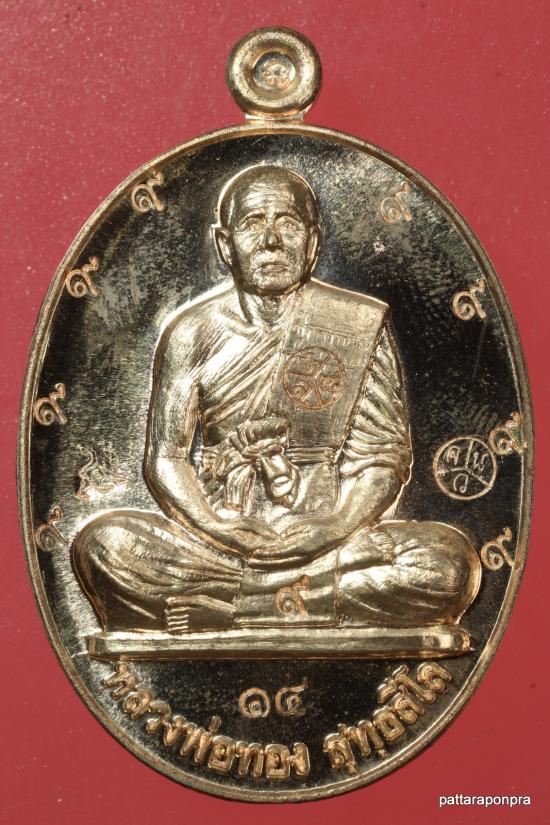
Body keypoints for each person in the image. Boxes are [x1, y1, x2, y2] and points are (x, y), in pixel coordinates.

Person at [72, 165, 481, 638]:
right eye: (253, 224)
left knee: (448, 564)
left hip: (329, 540)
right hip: (220, 543)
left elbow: (380, 459)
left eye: (287, 223)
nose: (271, 241)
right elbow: (167, 458)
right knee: (104, 546)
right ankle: (302, 600)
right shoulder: (190, 333)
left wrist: (335, 526)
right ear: (226, 245)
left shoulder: (355, 324)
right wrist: (217, 528)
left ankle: (235, 609)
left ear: (313, 242)